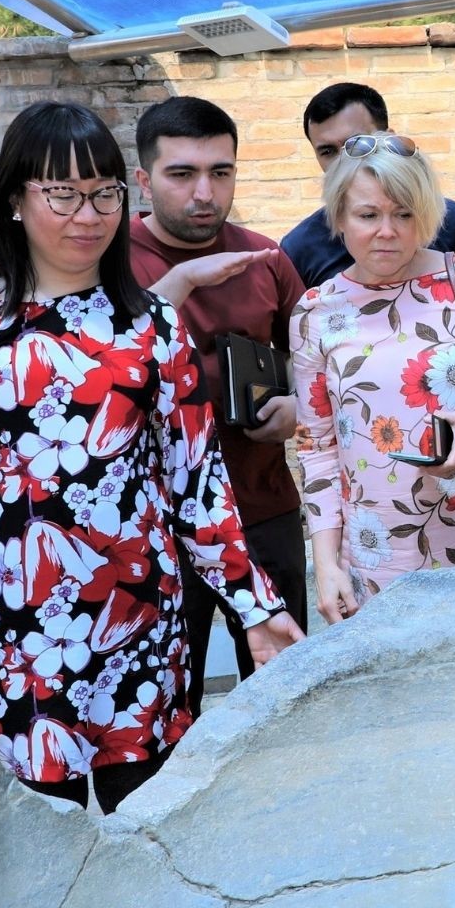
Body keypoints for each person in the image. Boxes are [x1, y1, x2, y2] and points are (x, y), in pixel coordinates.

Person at [0, 100, 303, 813]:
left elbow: (198, 483)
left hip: (141, 629)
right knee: (34, 831)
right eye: (63, 194)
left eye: (104, 194)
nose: (88, 215)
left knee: (148, 823)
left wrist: (254, 606)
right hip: (15, 632)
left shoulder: (153, 323)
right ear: (15, 199)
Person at [290, 131, 455, 621]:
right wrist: (326, 564)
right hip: (372, 558)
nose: (387, 231)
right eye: (368, 215)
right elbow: (317, 447)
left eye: (404, 214)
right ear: (339, 216)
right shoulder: (316, 312)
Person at [125, 95, 309, 712]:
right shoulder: (106, 262)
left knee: (285, 695)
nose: (204, 193)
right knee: (165, 705)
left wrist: (296, 406)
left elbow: (317, 365)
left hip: (262, 505)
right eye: (182, 174)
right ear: (144, 180)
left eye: (220, 172)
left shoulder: (264, 256)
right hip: (154, 523)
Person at [280, 82, 455, 291]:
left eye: (359, 144)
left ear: (389, 139)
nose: (344, 160)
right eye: (328, 152)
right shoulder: (300, 247)